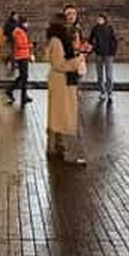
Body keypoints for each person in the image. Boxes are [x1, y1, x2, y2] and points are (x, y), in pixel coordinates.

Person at [46, 14, 86, 166]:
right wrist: (77, 61)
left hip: (61, 81)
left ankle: (55, 147)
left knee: (58, 115)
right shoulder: (57, 41)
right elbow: (59, 64)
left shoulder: (58, 40)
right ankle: (70, 153)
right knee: (66, 116)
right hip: (61, 82)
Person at [89, 13, 118, 103]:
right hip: (99, 54)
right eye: (98, 19)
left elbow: (114, 40)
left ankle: (109, 93)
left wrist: (113, 52)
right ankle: (102, 92)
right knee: (100, 75)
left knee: (109, 75)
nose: (99, 20)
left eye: (100, 19)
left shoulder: (109, 28)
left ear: (104, 19)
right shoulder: (95, 29)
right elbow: (91, 40)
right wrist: (92, 49)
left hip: (108, 54)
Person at [6, 16, 34, 106]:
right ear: (22, 23)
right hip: (21, 56)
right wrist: (29, 45)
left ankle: (21, 94)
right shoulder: (18, 31)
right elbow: (20, 44)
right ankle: (12, 90)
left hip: (24, 55)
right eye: (26, 22)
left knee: (24, 76)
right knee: (24, 76)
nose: (27, 24)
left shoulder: (22, 31)